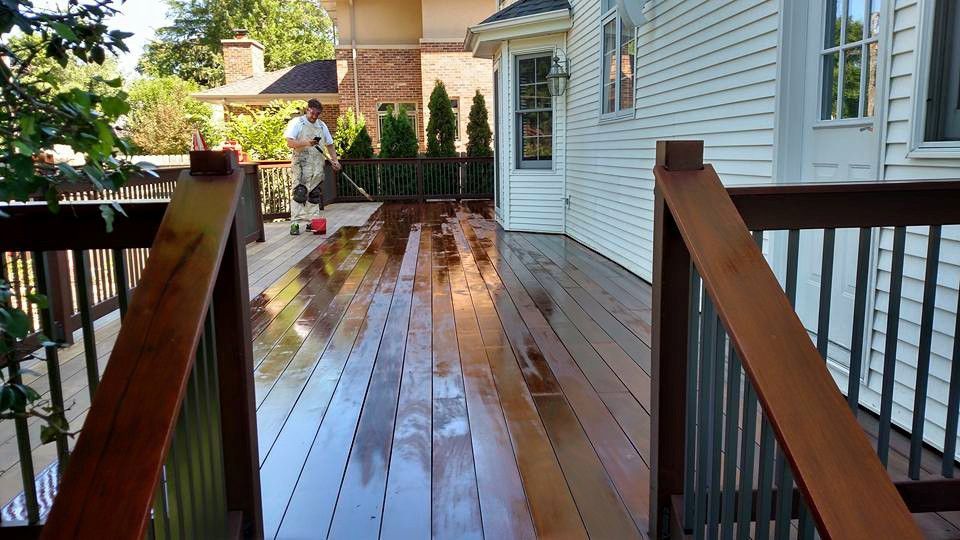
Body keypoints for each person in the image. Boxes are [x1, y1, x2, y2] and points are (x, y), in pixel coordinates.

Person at [283, 98, 341, 234]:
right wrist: (305, 143)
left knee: (314, 194)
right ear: (307, 109)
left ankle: (312, 222)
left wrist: (335, 160)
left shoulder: (321, 126)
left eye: (317, 114)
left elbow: (330, 145)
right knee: (300, 192)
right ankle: (295, 224)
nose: (315, 116)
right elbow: (290, 143)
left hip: (317, 166)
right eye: (312, 113)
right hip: (301, 165)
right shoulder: (297, 123)